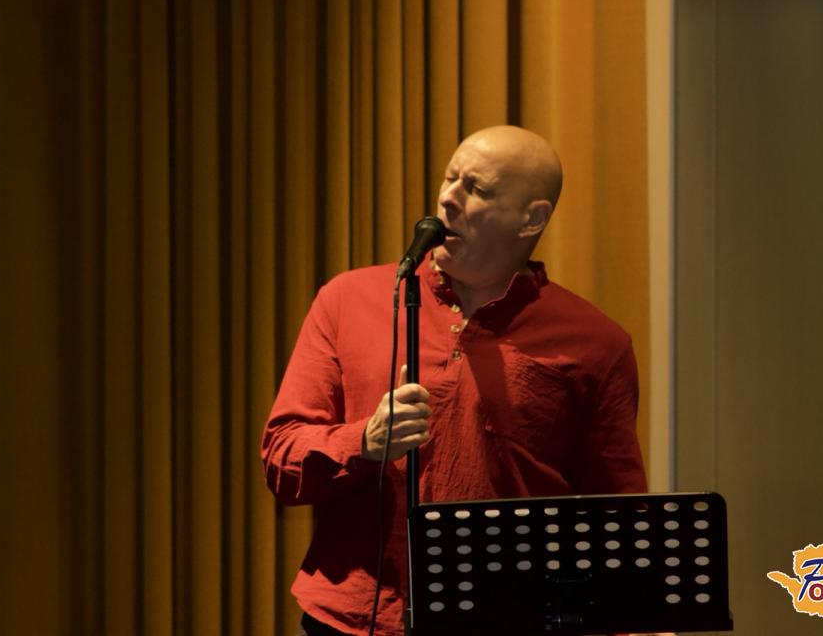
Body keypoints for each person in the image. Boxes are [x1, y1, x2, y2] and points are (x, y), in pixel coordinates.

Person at [262, 126, 650, 636]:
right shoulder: (348, 300)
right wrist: (364, 443)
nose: (448, 198)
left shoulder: (594, 342)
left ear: (532, 219)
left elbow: (615, 513)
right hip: (354, 620)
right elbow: (282, 459)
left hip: (510, 621)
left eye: (477, 189)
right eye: (450, 179)